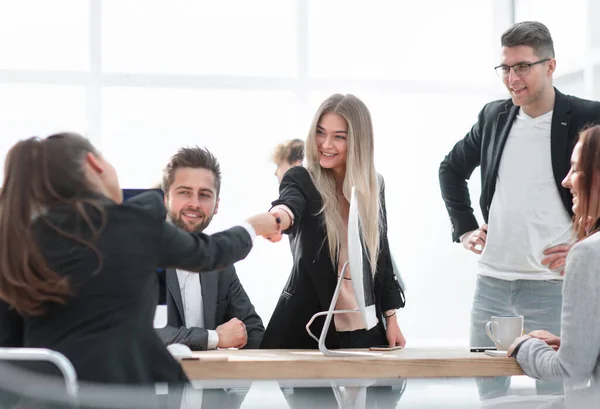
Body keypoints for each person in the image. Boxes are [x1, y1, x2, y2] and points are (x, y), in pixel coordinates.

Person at [0, 133, 279, 385]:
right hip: (122, 396)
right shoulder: (134, 222)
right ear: (94, 164)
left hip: (45, 396)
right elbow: (210, 252)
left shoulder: (21, 237)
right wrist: (254, 226)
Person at [438, 21, 600, 397]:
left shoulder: (588, 117)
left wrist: (588, 245)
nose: (513, 78)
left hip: (554, 288)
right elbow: (450, 168)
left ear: (550, 65)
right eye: (506, 68)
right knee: (489, 396)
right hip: (492, 285)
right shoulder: (494, 116)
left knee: (558, 394)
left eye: (523, 67)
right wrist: (465, 228)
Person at [260, 93, 406, 350]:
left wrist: (391, 319)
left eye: (339, 137)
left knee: (385, 388)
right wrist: (278, 220)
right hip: (307, 326)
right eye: (320, 132)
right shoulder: (301, 178)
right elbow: (289, 204)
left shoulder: (374, 185)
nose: (325, 144)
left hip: (364, 327)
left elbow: (380, 254)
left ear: (358, 142)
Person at [508, 125, 600, 385]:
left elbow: (570, 372)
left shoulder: (588, 254)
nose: (566, 180)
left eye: (577, 168)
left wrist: (524, 347)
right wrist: (577, 345)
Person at [156, 146, 264, 350]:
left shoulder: (222, 265)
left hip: (209, 381)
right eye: (184, 193)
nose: (194, 204)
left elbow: (252, 330)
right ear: (165, 199)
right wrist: (214, 338)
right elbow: (149, 334)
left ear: (216, 205)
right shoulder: (144, 256)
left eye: (204, 195)